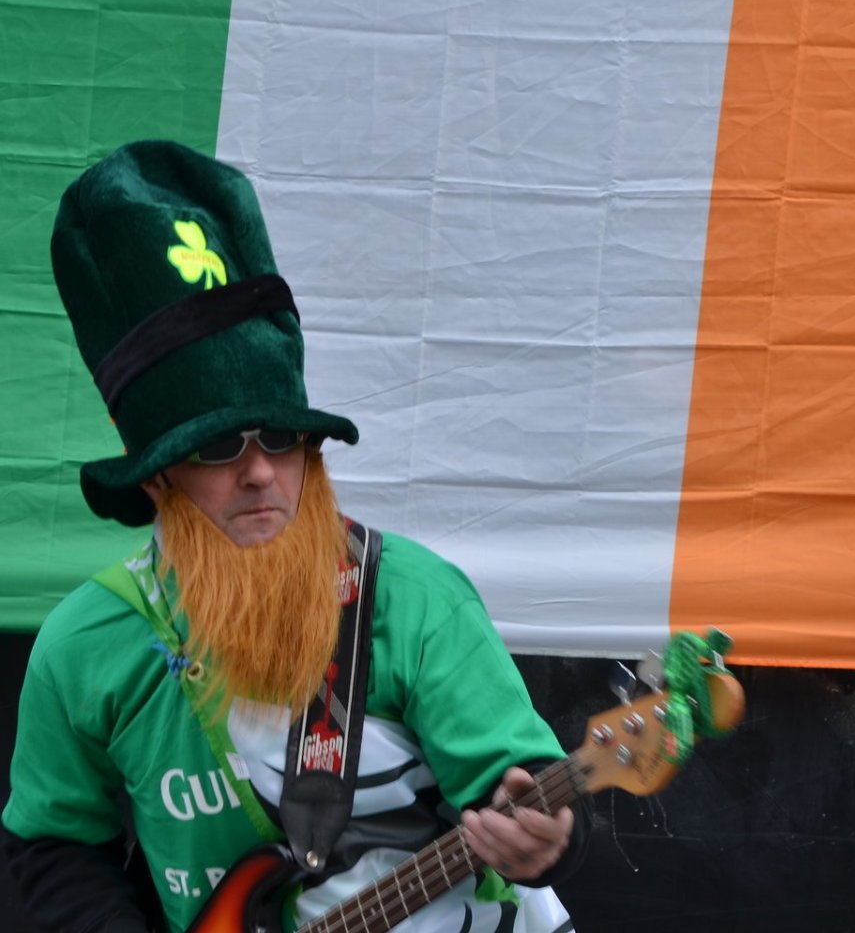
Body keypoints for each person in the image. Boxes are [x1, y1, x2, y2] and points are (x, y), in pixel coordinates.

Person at [2, 142, 590, 933]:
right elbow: (54, 846)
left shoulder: (411, 597)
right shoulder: (83, 645)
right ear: (153, 478)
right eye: (216, 448)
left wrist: (538, 836)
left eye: (280, 437)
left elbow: (512, 782)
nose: (259, 473)